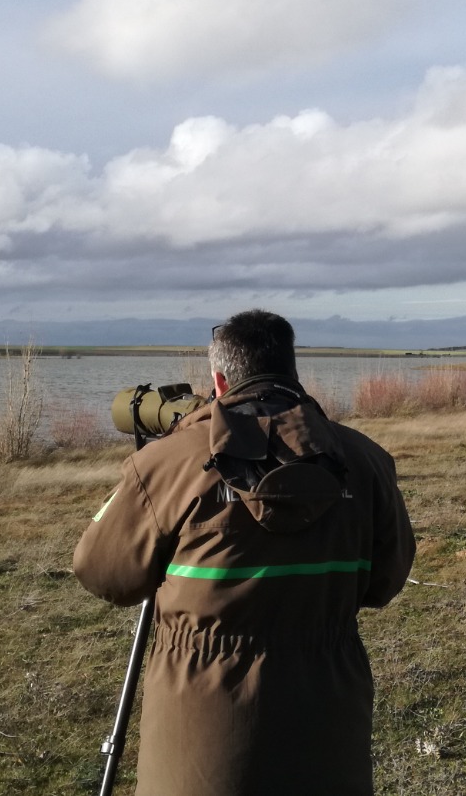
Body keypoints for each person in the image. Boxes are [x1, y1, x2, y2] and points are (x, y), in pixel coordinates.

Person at [74, 309, 416, 796]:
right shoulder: (365, 460)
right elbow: (385, 582)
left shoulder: (166, 466)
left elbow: (104, 574)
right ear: (292, 372)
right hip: (328, 716)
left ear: (218, 379)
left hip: (200, 730)